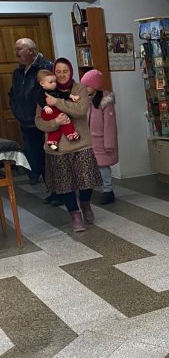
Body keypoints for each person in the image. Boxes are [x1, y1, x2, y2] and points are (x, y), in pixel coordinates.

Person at [34, 58, 102, 232]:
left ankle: (85, 204)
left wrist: (57, 102)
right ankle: (75, 215)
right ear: (53, 73)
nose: (62, 75)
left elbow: (80, 110)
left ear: (71, 71)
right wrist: (55, 122)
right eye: (58, 71)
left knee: (87, 181)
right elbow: (39, 121)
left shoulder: (79, 88)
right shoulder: (45, 92)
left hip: (81, 144)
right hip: (57, 148)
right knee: (65, 184)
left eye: (65, 71)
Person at [8, 37, 52, 185]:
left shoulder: (46, 67)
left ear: (32, 51)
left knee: (48, 155)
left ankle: (54, 188)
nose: (16, 52)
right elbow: (13, 94)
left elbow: (51, 94)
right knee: (32, 154)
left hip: (43, 120)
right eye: (15, 49)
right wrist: (17, 111)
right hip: (25, 121)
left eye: (19, 49)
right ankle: (40, 180)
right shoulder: (18, 72)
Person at [80, 69, 119, 205]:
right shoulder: (86, 101)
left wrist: (109, 144)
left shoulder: (105, 102)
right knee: (90, 166)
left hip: (101, 141)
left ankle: (108, 190)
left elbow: (109, 125)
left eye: (87, 86)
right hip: (88, 141)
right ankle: (93, 189)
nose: (85, 89)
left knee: (103, 167)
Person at [34, 70, 80, 150]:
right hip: (49, 112)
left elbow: (63, 94)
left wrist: (71, 96)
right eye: (51, 82)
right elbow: (38, 99)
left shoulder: (55, 90)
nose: (54, 84)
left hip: (55, 111)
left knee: (57, 127)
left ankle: (52, 142)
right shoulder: (41, 92)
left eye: (55, 81)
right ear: (42, 83)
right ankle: (70, 133)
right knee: (65, 119)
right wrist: (45, 107)